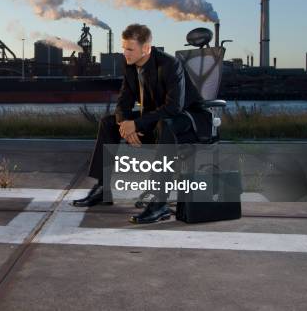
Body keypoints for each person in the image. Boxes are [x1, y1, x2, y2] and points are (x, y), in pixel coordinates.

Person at [72, 23, 210, 223]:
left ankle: (160, 202)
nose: (125, 53)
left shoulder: (170, 65)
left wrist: (136, 125)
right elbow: (123, 102)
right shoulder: (129, 65)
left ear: (146, 48)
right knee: (108, 123)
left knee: (166, 125)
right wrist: (125, 124)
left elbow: (174, 108)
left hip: (190, 119)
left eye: (130, 49)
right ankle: (103, 189)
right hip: (156, 117)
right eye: (123, 48)